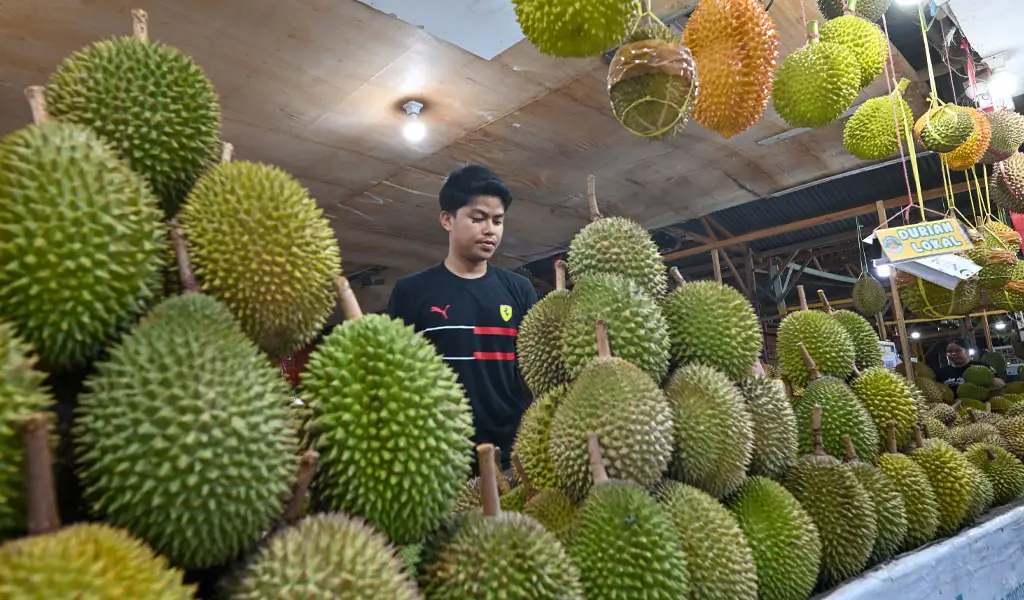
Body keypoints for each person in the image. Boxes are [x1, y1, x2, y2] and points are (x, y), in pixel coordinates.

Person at [387, 164, 539, 476]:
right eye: (478, 218)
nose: (490, 230)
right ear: (447, 219)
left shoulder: (519, 290)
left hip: (512, 457)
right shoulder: (411, 292)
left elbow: (534, 372)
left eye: (498, 221)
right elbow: (396, 378)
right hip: (438, 460)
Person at [935, 337, 1000, 391]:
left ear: (967, 351)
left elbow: (1001, 383)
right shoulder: (942, 373)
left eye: (957, 350)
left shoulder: (982, 366)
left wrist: (987, 380)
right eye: (949, 351)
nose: (953, 354)